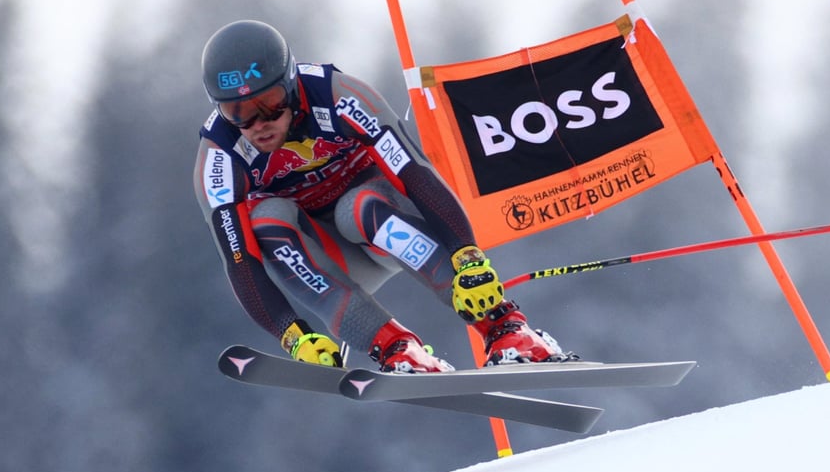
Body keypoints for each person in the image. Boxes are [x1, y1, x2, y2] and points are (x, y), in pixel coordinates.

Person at [193, 19, 571, 372]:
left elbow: (414, 173)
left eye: (270, 103)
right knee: (265, 220)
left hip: (384, 222)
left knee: (355, 209)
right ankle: (397, 348)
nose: (259, 124)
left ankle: (505, 326)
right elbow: (239, 261)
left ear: (291, 84)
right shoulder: (219, 157)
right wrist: (293, 336)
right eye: (238, 112)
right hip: (326, 261)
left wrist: (467, 255)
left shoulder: (337, 96)